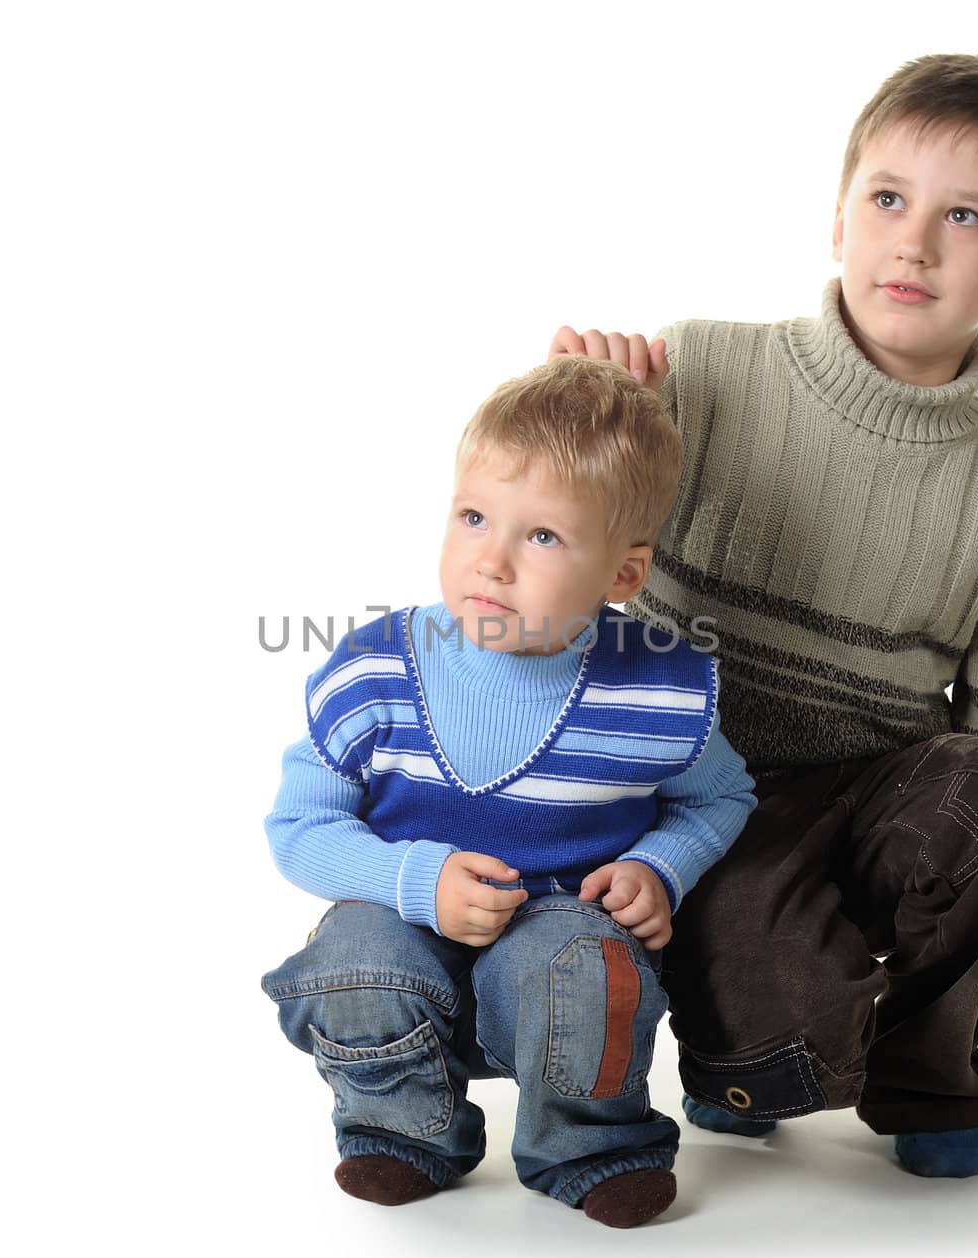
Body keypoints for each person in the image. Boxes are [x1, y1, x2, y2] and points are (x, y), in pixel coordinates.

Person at [546, 53, 978, 1179]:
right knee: (773, 986)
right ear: (839, 217)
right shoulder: (703, 372)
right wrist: (582, 400)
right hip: (684, 797)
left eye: (965, 216)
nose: (913, 243)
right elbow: (537, 537)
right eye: (889, 199)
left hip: (859, 816)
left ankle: (929, 1071)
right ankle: (744, 1049)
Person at [260, 356, 758, 1227]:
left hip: (559, 920)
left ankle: (588, 1143)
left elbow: (719, 798)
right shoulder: (378, 669)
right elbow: (300, 824)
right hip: (402, 917)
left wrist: (658, 866)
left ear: (623, 576)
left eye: (541, 537)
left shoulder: (651, 690)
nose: (490, 559)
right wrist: (415, 882)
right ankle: (401, 1128)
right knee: (351, 961)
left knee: (595, 971)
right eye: (474, 516)